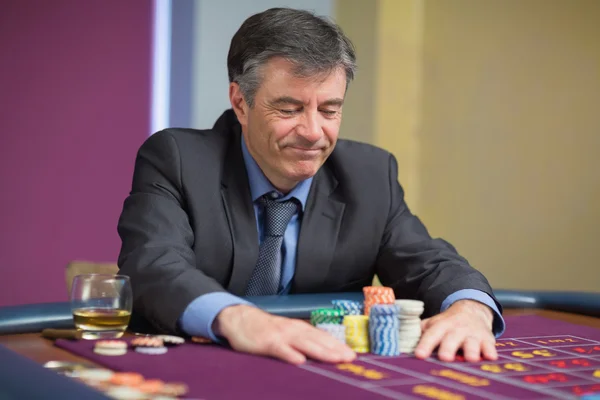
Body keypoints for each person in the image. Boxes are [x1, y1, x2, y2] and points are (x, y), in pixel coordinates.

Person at [117, 7, 505, 366]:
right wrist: (240, 319)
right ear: (240, 102)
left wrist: (471, 309)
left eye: (330, 110)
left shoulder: (370, 174)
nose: (313, 132)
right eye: (289, 109)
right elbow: (154, 267)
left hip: (319, 371)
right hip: (200, 369)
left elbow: (430, 263)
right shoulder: (177, 158)